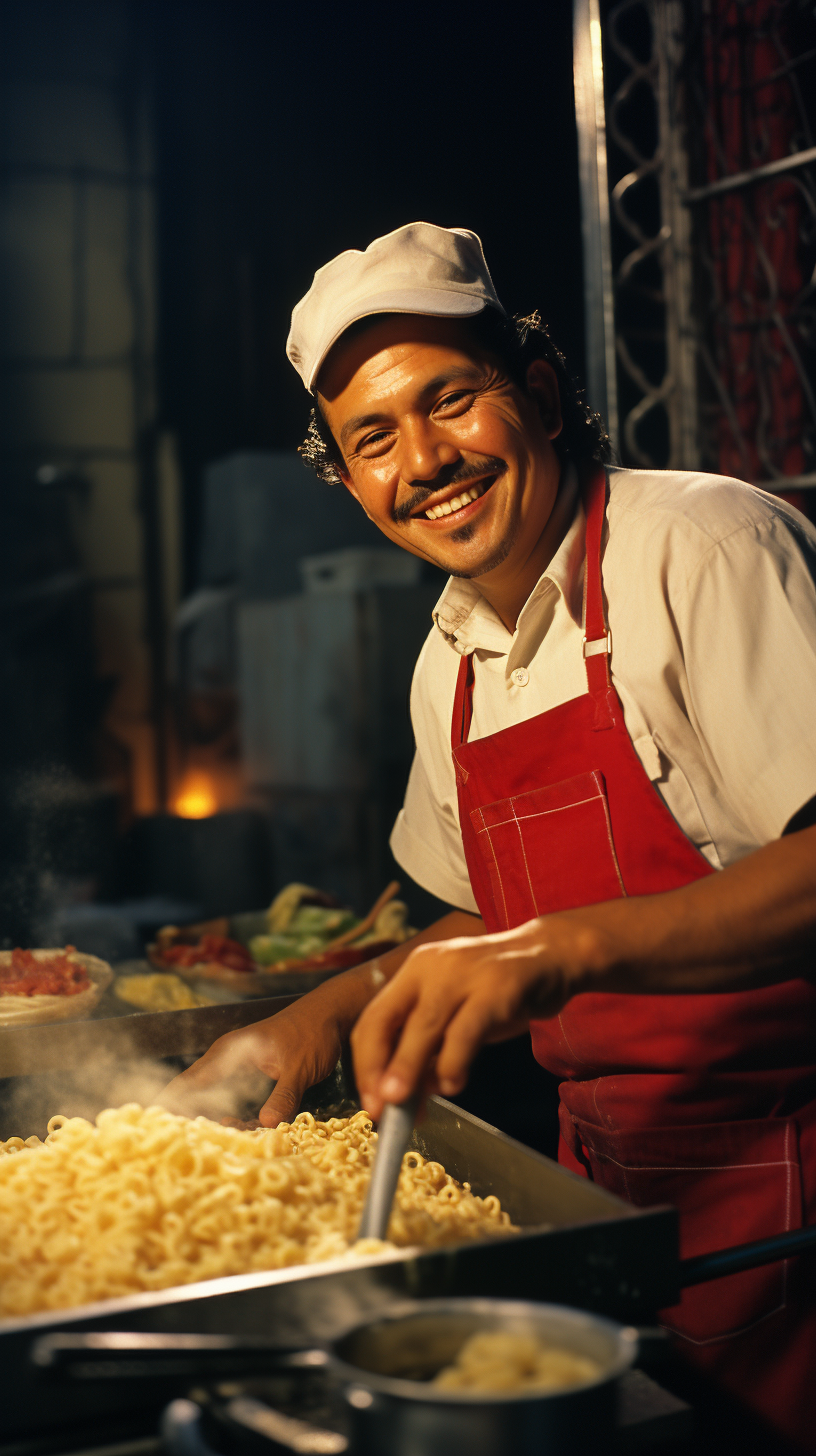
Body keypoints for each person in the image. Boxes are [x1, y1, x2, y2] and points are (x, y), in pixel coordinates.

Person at [163, 223, 816, 1448]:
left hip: (788, 1183)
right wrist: (316, 1018)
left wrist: (560, 951)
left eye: (450, 400)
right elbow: (481, 923)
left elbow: (543, 940)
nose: (425, 460)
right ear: (350, 483)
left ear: (544, 392)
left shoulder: (705, 547)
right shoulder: (448, 662)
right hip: (601, 1206)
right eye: (373, 439)